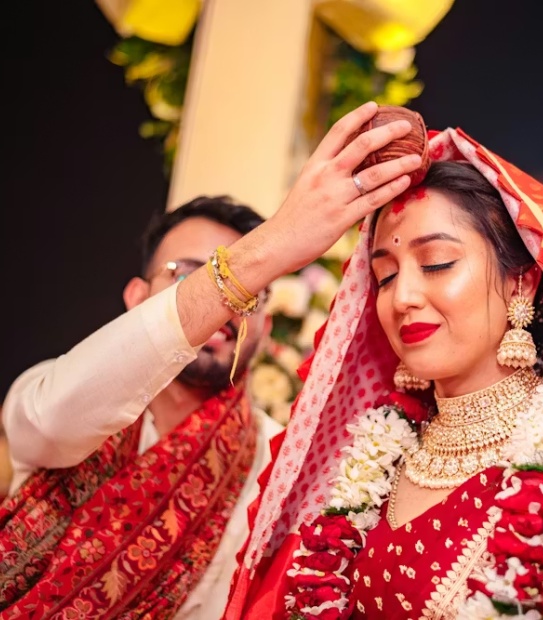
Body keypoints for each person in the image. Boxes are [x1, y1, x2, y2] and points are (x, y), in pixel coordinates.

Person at [224, 118, 543, 619]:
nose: (403, 298)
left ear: (521, 284)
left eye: (436, 264)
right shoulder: (363, 467)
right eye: (385, 276)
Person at [0, 111, 426, 620]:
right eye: (186, 274)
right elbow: (53, 421)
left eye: (251, 294)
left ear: (266, 326)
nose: (228, 304)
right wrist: (266, 250)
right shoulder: (50, 390)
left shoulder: (275, 468)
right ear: (139, 297)